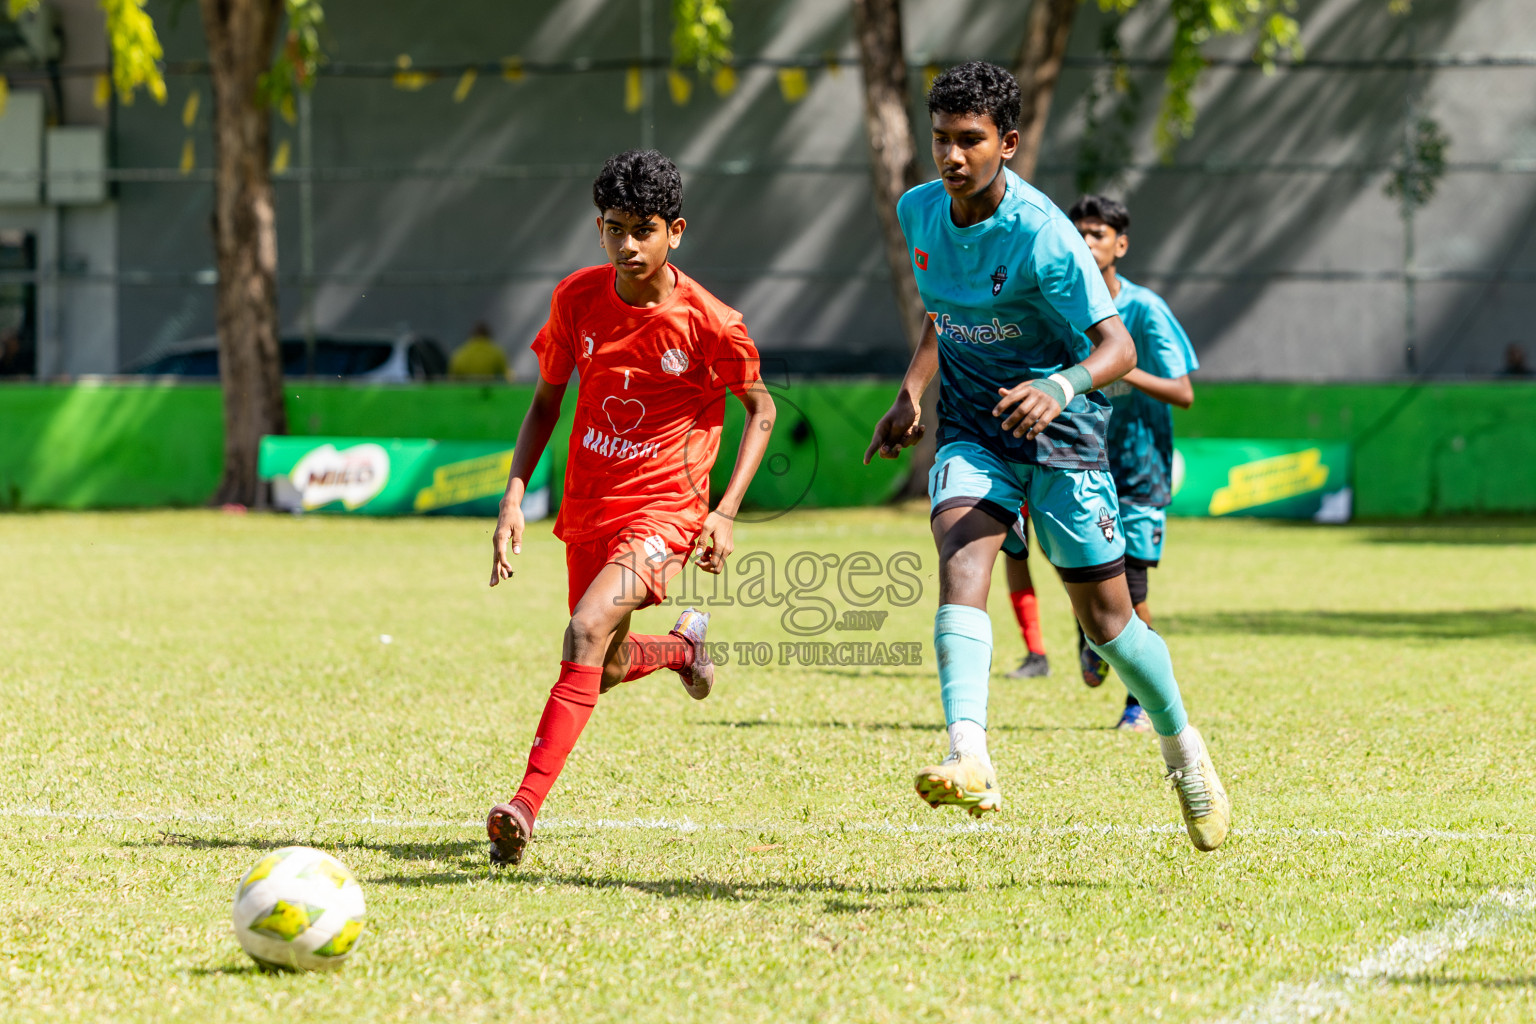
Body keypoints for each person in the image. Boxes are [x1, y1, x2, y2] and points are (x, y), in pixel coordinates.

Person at [863, 61, 1230, 851]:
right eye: (941, 140)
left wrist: (1060, 389)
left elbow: (1116, 346)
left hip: (1061, 433)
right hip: (971, 423)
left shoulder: (1046, 235)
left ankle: (1180, 746)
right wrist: (910, 395)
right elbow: (943, 314)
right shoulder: (919, 210)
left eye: (971, 141)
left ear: (1009, 143)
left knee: (1108, 625)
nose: (952, 157)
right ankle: (971, 753)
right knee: (961, 554)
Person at [484, 150, 777, 866]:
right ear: (599, 228)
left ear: (675, 230)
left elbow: (760, 410)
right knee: (606, 665)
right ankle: (682, 649)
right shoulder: (577, 299)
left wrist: (726, 510)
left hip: (664, 512)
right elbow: (547, 402)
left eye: (643, 229)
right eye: (615, 229)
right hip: (588, 507)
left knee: (583, 631)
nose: (627, 245)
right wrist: (514, 497)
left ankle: (522, 807)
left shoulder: (711, 322)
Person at [1066, 195, 1199, 732]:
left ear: (1120, 245)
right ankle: (1090, 632)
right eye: (1078, 233)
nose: (1085, 242)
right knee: (1087, 575)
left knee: (1135, 587)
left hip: (1139, 470)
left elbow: (1183, 392)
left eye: (1096, 233)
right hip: (1075, 460)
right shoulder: (1062, 304)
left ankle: (1138, 702)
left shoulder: (1145, 310)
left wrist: (1116, 368)